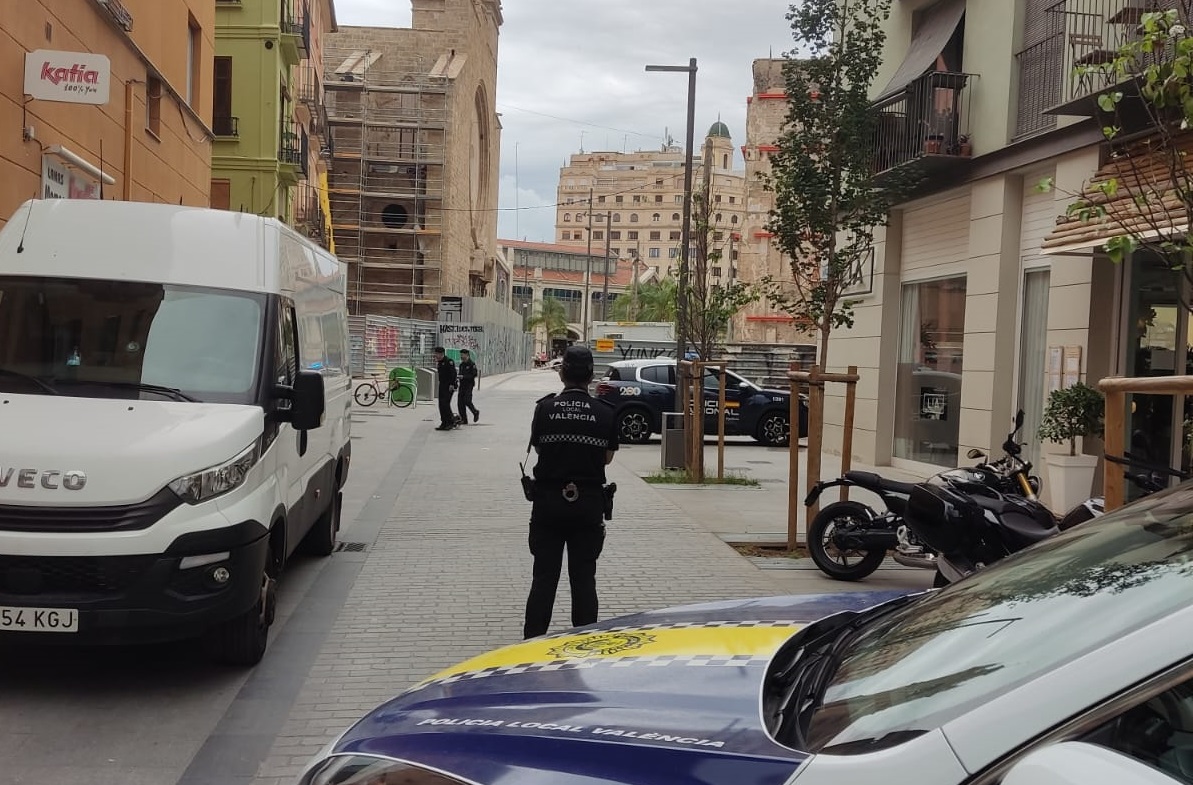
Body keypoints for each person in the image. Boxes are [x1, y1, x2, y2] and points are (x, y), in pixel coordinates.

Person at [522, 345, 618, 639]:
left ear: (562, 373)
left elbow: (539, 449)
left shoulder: (545, 408)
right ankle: (585, 642)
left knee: (543, 579)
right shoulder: (605, 413)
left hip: (548, 505)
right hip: (587, 506)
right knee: (584, 579)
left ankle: (532, 644)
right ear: (590, 376)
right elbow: (607, 458)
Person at [433, 346, 457, 431]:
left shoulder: (449, 361)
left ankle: (450, 422)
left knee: (445, 404)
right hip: (442, 385)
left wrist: (452, 384)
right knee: (441, 404)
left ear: (441, 354)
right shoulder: (439, 362)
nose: (435, 355)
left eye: (437, 354)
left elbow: (453, 374)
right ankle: (444, 422)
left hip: (449, 386)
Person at [457, 348, 481, 424]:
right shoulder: (461, 365)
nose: (461, 357)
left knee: (467, 401)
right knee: (460, 403)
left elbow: (474, 374)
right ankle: (464, 419)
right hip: (462, 385)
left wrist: (464, 377)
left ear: (467, 355)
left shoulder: (471, 364)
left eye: (463, 355)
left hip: (469, 385)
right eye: (461, 355)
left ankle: (475, 412)